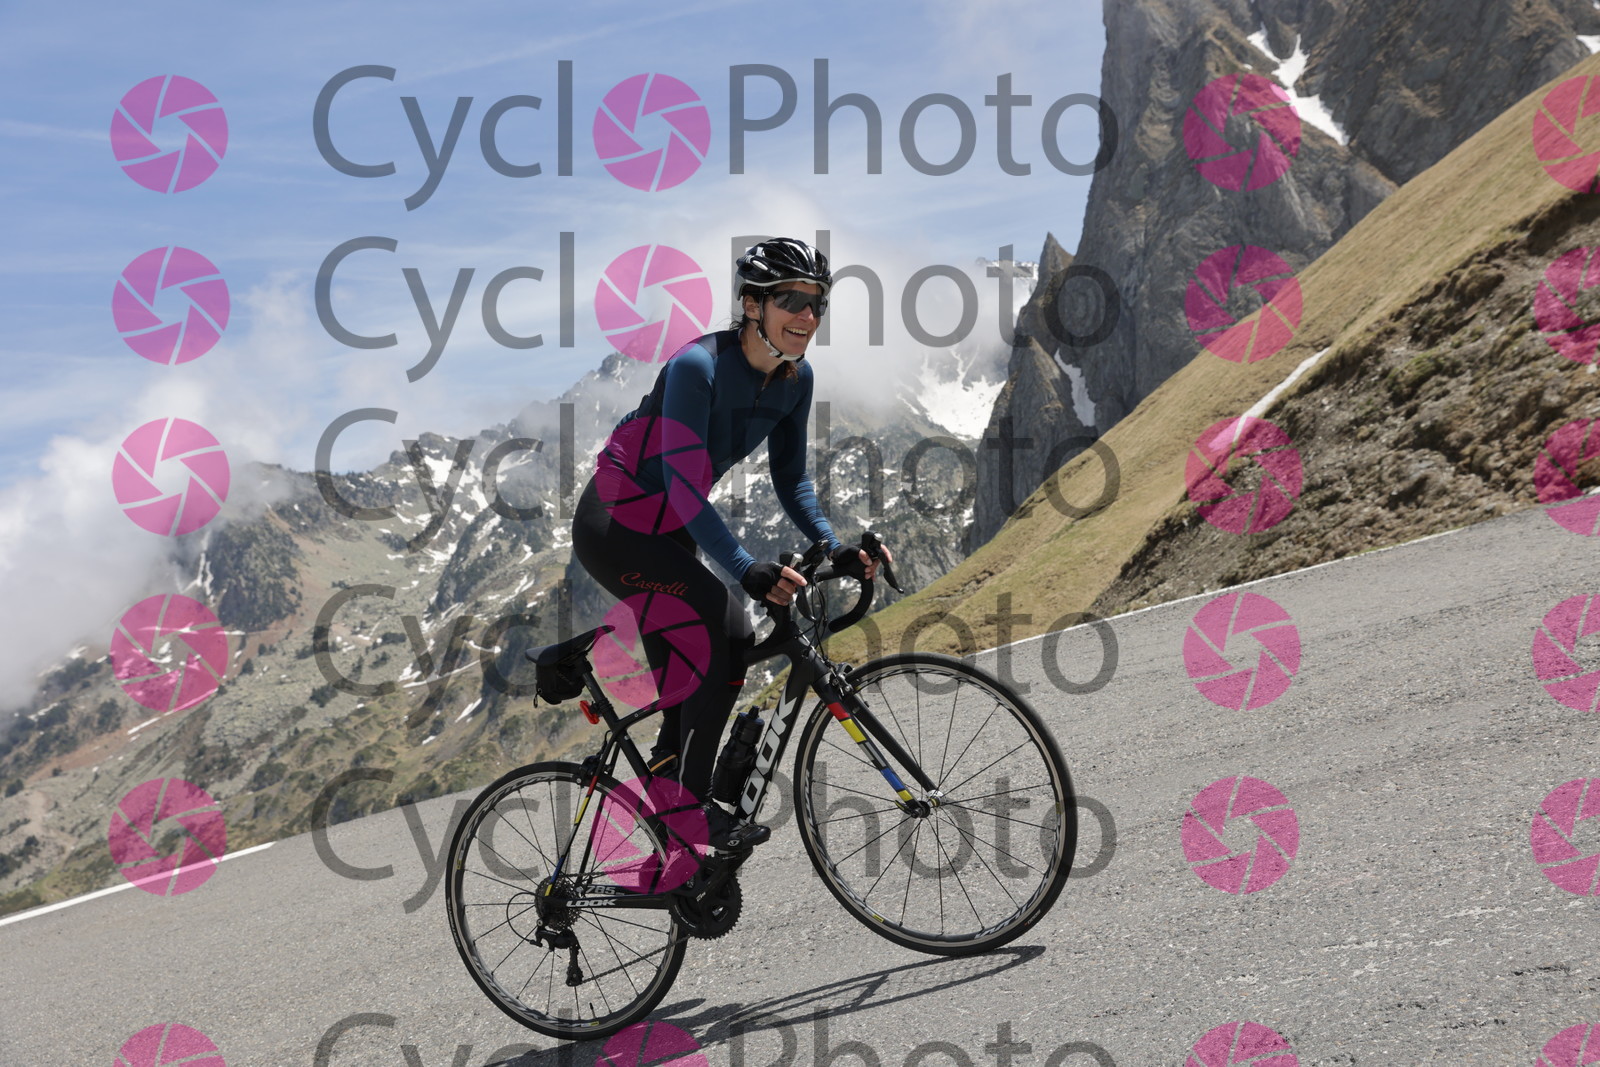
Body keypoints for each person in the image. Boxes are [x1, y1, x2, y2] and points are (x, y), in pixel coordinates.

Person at [571, 237, 893, 851]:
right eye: (791, 300)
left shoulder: (796, 379)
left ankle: (672, 852)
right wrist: (745, 570)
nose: (807, 316)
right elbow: (681, 484)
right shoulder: (697, 367)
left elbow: (791, 479)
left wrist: (833, 546)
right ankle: (690, 814)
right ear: (751, 304)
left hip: (671, 530)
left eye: (817, 303)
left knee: (687, 693)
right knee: (729, 625)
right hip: (615, 525)